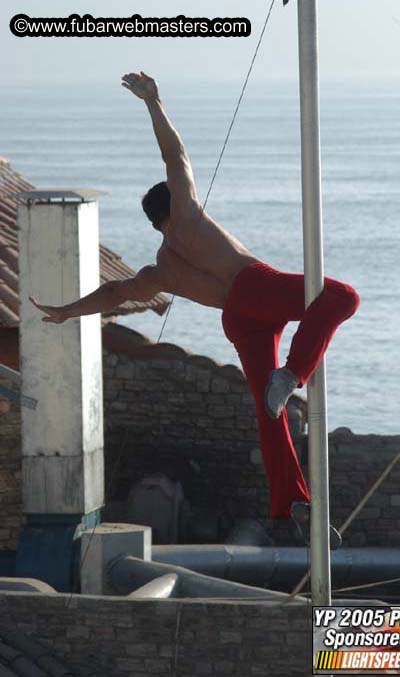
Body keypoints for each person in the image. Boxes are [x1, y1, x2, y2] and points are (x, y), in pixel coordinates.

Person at [31, 72, 360, 549]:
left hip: (237, 319)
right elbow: (175, 155)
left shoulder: (160, 270)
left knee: (269, 414)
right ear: (175, 202)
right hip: (253, 288)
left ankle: (292, 502)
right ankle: (292, 374)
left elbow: (116, 293)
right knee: (342, 297)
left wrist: (66, 311)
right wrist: (154, 102)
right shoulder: (188, 213)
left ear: (151, 222)